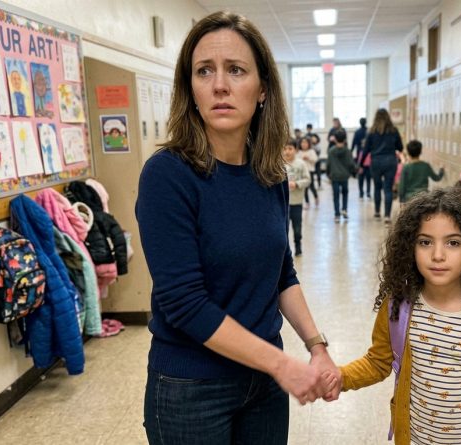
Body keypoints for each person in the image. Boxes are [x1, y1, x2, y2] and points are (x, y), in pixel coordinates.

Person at [136, 12, 338, 445]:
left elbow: (282, 274)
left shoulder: (271, 173)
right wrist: (281, 365)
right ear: (190, 89)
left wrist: (316, 347)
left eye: (236, 70)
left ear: (262, 89)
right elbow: (185, 303)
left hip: (263, 385)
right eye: (204, 71)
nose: (219, 85)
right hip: (192, 389)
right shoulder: (168, 175)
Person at [331, 187, 461, 444]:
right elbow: (378, 362)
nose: (437, 255)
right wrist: (340, 377)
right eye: (425, 242)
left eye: (453, 243)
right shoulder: (398, 307)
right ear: (409, 247)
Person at [361, 108, 403, 223]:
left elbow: (365, 150)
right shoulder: (394, 131)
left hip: (376, 161)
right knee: (388, 188)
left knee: (377, 187)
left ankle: (377, 212)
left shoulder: (371, 132)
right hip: (390, 161)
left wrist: (360, 164)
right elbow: (400, 147)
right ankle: (387, 216)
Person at [283, 139, 311, 255]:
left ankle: (298, 247)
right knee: (283, 229)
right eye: (285, 149)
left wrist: (297, 184)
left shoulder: (301, 164)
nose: (287, 152)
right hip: (283, 204)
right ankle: (285, 252)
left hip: (296, 203)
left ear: (296, 150)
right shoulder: (279, 164)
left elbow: (307, 179)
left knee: (297, 227)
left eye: (290, 149)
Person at [326, 129, 357, 223]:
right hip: (344, 176)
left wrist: (328, 174)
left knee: (336, 195)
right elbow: (351, 164)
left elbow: (328, 164)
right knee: (345, 193)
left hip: (334, 176)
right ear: (345, 139)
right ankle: (344, 209)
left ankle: (337, 214)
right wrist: (354, 171)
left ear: (335, 139)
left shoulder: (331, 151)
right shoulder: (347, 151)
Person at [351, 117, 371, 199]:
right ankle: (368, 192)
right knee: (368, 176)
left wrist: (351, 151)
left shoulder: (357, 132)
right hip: (368, 155)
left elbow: (353, 143)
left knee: (361, 176)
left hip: (360, 155)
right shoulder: (369, 131)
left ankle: (361, 193)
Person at [298, 136, 319, 208]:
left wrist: (308, 158)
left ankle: (316, 197)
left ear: (309, 144)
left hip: (310, 171)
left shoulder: (311, 151)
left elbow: (315, 160)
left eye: (305, 142)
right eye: (302, 142)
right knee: (305, 188)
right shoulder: (299, 152)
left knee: (311, 186)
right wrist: (301, 158)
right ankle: (307, 202)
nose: (304, 144)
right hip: (301, 172)